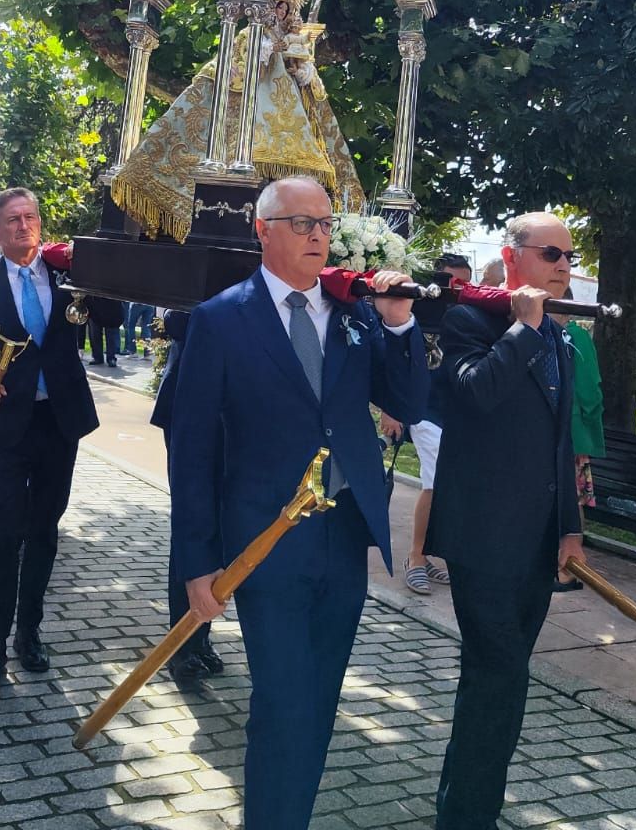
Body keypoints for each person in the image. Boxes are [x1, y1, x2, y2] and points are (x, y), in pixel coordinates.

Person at [169, 176, 427, 828]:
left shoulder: (356, 315)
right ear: (263, 230)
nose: (318, 234)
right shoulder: (221, 319)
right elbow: (192, 451)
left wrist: (398, 324)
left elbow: (411, 404)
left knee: (317, 704)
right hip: (263, 545)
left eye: (325, 222)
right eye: (302, 222)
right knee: (281, 703)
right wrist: (196, 563)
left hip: (342, 540)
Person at [426, 212, 586, 830]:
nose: (565, 266)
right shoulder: (470, 320)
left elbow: (558, 441)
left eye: (571, 256)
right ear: (512, 255)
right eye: (552, 254)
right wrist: (521, 328)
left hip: (537, 541)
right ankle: (468, 817)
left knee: (499, 683)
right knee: (499, 677)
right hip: (483, 538)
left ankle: (466, 808)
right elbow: (473, 395)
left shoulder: (561, 336)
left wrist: (570, 528)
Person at [0, 188, 98, 691]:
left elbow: (111, 320)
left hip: (60, 421)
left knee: (45, 529)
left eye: (31, 217)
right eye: (12, 220)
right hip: (9, 423)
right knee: (3, 530)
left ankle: (29, 632)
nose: (23, 226)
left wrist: (95, 274)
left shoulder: (66, 273)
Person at [150, 307, 224, 689]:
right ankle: (182, 647)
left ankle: (201, 636)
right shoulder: (187, 247)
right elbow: (174, 319)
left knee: (223, 526)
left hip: (238, 410)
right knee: (193, 521)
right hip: (188, 403)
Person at [401, 252, 473, 596]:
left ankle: (428, 555)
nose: (456, 290)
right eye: (451, 283)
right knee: (433, 483)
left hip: (458, 414)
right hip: (426, 411)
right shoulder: (419, 312)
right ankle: (415, 557)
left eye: (464, 283)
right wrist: (393, 409)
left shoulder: (471, 317)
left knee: (447, 485)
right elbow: (402, 359)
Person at [552, 287, 606, 593]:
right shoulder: (562, 335)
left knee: (572, 498)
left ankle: (569, 567)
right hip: (566, 432)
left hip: (569, 433)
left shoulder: (575, 337)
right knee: (570, 497)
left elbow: (588, 389)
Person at [86, 294, 123, 367]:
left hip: (111, 305)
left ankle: (111, 357)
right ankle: (97, 357)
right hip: (94, 305)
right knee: (94, 333)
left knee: (111, 334)